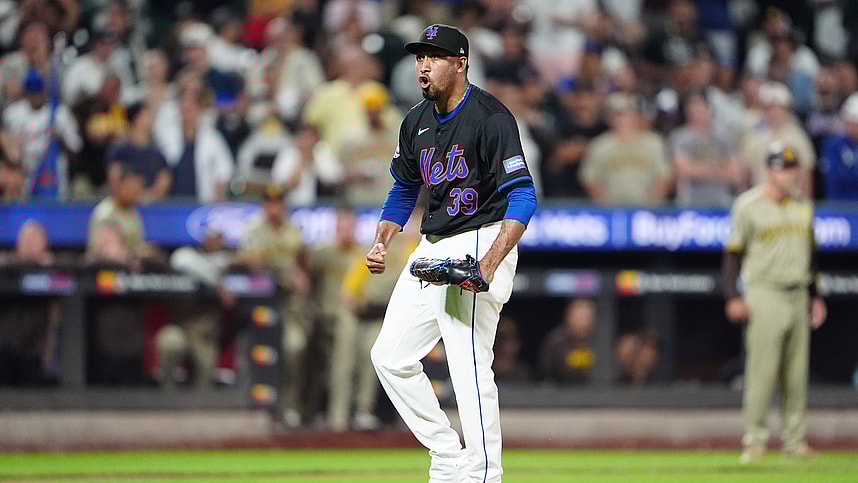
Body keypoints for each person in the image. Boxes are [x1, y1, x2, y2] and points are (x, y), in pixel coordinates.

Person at [366, 25, 537, 483]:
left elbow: (523, 196)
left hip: (482, 237)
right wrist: (383, 238)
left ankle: (484, 476)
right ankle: (448, 458)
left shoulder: (490, 117)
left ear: (460, 62)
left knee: (468, 363)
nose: (423, 65)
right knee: (390, 356)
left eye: (435, 56)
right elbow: (403, 188)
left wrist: (489, 263)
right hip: (433, 245)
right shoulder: (415, 121)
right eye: (420, 56)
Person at [723, 141, 827, 464]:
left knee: (796, 374)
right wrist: (733, 296)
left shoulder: (802, 204)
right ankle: (754, 440)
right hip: (764, 291)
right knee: (762, 371)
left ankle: (795, 442)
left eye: (792, 168)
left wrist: (816, 296)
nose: (788, 174)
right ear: (769, 170)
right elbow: (732, 254)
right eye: (782, 168)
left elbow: (812, 256)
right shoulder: (748, 205)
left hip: (797, 292)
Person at [236, 185, 312, 428]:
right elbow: (250, 261)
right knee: (261, 351)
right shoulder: (253, 229)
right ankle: (262, 408)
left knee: (294, 347)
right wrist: (283, 269)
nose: (274, 207)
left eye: (278, 202)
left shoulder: (292, 231)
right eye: (269, 202)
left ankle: (289, 405)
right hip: (259, 304)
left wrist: (299, 275)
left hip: (288, 304)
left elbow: (302, 266)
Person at [158, 230, 235, 389]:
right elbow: (180, 260)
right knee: (169, 341)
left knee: (205, 381)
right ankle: (167, 396)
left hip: (204, 335)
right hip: (182, 330)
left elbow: (226, 263)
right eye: (211, 237)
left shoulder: (228, 262)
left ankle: (200, 409)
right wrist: (217, 282)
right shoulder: (188, 256)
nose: (214, 241)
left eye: (219, 238)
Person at [538, 298, 595, 384]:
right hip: (561, 391)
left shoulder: (601, 341)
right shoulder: (556, 342)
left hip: (594, 392)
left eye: (586, 317)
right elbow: (545, 371)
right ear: (568, 317)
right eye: (579, 317)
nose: (583, 322)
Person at [821, 93, 858, 200]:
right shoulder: (832, 145)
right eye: (851, 122)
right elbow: (834, 178)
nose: (853, 128)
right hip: (838, 207)